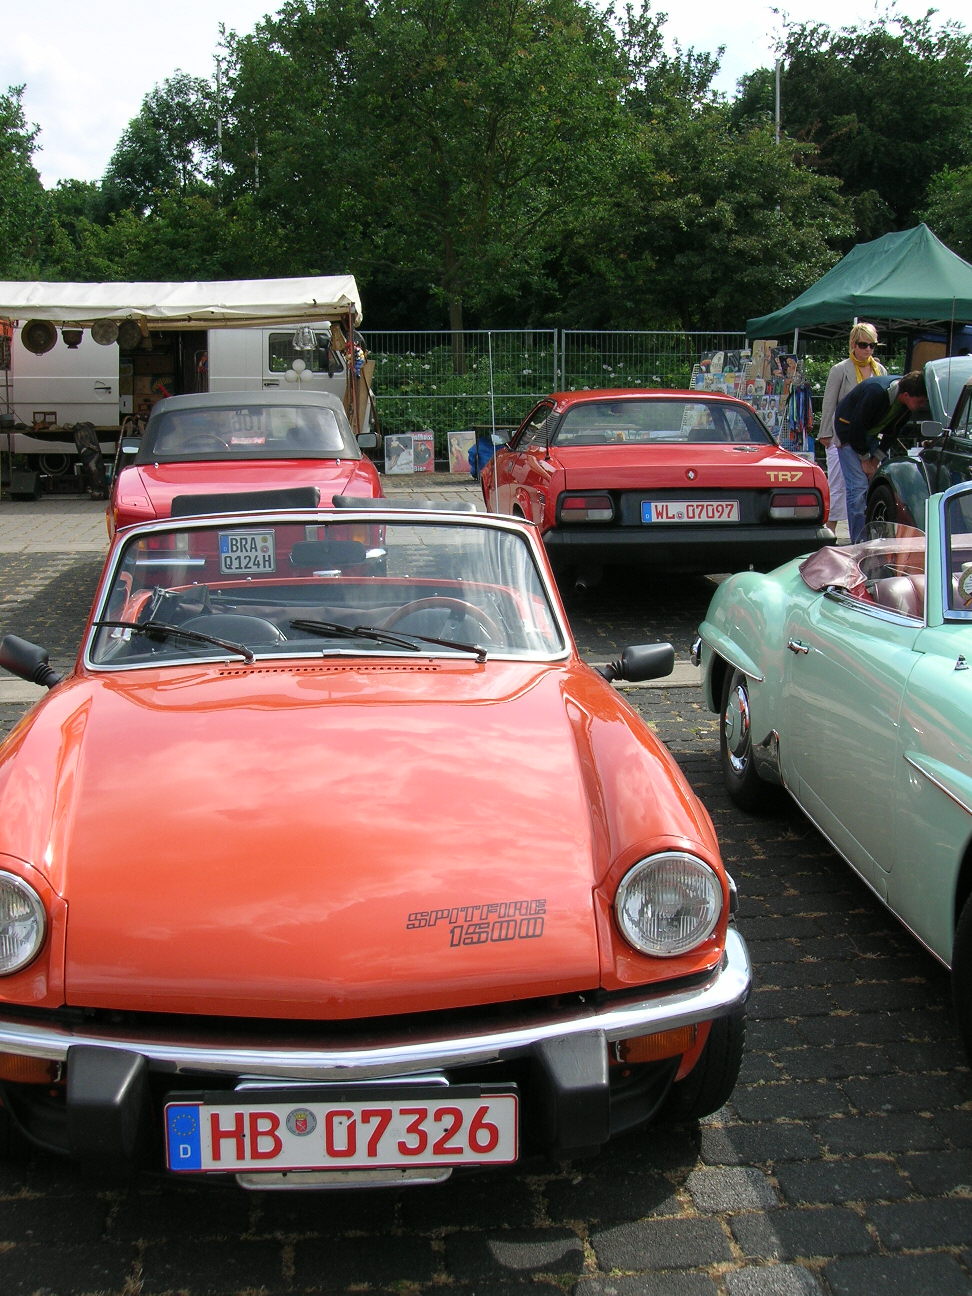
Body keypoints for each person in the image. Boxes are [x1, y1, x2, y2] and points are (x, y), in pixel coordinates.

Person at [833, 370, 928, 543]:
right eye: (920, 401)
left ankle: (875, 534)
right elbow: (857, 427)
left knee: (875, 483)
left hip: (870, 434)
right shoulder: (876, 393)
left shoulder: (905, 407)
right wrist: (865, 459)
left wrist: (875, 459)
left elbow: (892, 434)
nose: (923, 405)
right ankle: (859, 541)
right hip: (848, 433)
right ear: (906, 395)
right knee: (858, 488)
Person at [817, 323, 887, 538]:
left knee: (866, 485)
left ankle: (864, 531)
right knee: (839, 483)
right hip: (843, 436)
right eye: (863, 345)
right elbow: (829, 403)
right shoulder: (840, 370)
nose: (868, 350)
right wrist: (826, 433)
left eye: (872, 345)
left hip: (870, 436)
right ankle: (831, 530)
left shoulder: (880, 369)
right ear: (853, 345)